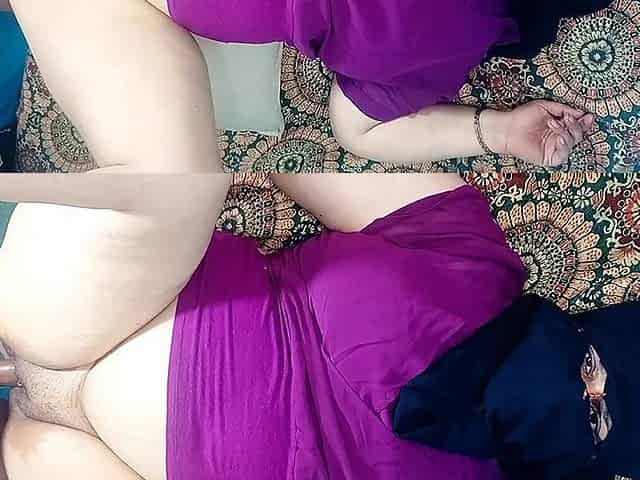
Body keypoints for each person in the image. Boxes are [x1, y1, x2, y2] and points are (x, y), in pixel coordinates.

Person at [8, 0, 603, 169]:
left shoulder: (447, 34)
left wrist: (498, 130)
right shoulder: (452, 38)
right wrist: (496, 131)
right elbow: (360, 131)